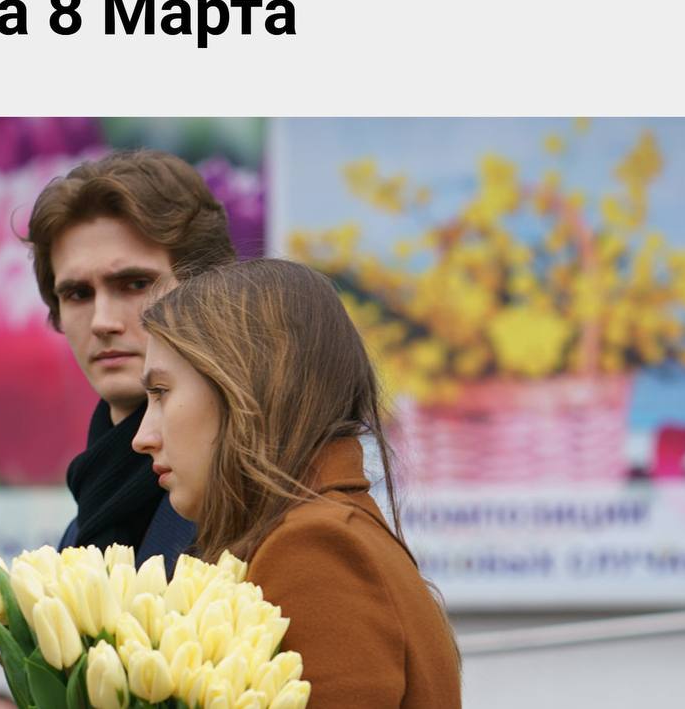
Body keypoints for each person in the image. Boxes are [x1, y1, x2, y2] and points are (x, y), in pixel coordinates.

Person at [133, 259, 462, 709]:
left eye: (161, 393)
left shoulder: (314, 547)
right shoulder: (318, 531)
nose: (142, 438)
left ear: (246, 386)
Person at [24, 149, 237, 572]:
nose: (102, 321)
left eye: (135, 284)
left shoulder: (257, 497)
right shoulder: (84, 518)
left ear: (206, 291)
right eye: (78, 294)